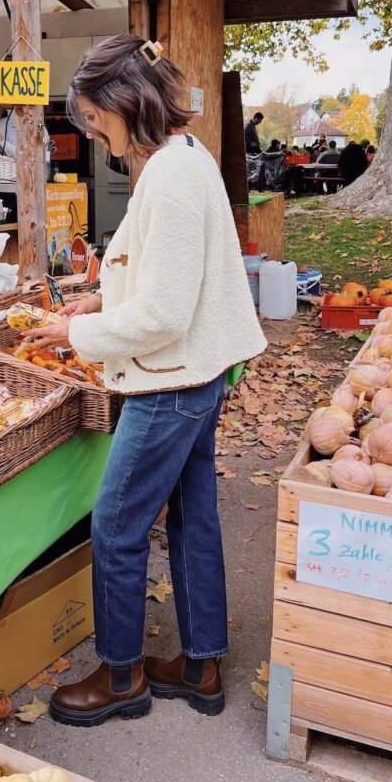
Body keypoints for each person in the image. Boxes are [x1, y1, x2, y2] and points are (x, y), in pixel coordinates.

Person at [25, 35, 267, 727]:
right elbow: (164, 274)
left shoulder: (170, 177)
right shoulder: (180, 158)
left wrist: (78, 335)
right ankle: (200, 666)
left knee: (118, 525)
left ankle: (123, 676)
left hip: (171, 381)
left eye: (97, 117)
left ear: (126, 102)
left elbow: (163, 312)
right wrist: (103, 300)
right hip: (193, 373)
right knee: (191, 519)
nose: (94, 130)